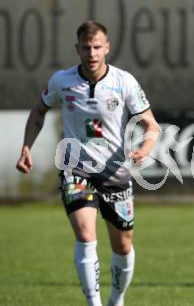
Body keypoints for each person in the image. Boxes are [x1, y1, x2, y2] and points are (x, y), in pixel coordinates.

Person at [16, 20, 160, 306]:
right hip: (76, 170)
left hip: (115, 172)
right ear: (77, 49)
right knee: (85, 233)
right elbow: (38, 112)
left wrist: (145, 148)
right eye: (86, 48)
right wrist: (26, 147)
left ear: (107, 47)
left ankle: (116, 300)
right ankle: (93, 303)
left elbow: (151, 125)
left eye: (97, 47)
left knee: (123, 244)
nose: (92, 53)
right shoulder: (62, 80)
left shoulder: (124, 82)